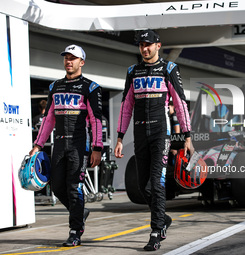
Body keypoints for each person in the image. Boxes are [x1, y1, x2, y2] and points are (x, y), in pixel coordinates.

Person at [114, 29, 191, 251]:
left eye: (148, 44)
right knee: (142, 186)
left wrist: (187, 136)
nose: (144, 48)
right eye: (141, 45)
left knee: (157, 183)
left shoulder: (169, 68)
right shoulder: (132, 71)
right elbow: (126, 106)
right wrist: (119, 138)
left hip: (161, 133)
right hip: (139, 133)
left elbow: (180, 103)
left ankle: (156, 231)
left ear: (158, 45)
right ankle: (162, 218)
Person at [29, 44, 103, 246]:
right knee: (56, 185)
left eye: (73, 58)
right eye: (66, 58)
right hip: (60, 144)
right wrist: (38, 145)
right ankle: (80, 211)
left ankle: (75, 232)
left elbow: (96, 120)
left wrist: (97, 148)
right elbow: (48, 119)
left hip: (80, 144)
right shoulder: (55, 87)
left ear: (82, 62)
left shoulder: (91, 87)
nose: (68, 61)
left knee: (73, 188)